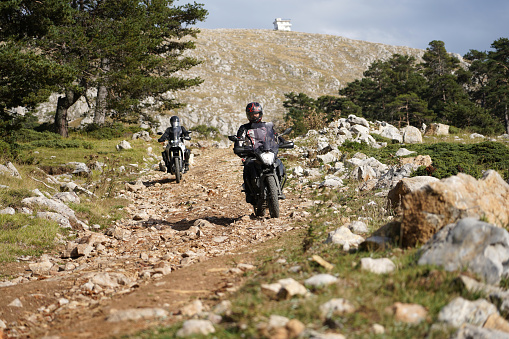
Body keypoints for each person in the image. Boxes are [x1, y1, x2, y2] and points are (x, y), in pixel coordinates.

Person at [233, 102, 286, 203]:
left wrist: (284, 142)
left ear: (260, 114)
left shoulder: (267, 126)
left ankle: (278, 189)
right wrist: (239, 148)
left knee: (279, 164)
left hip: (267, 152)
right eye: (252, 114)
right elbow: (239, 141)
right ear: (248, 115)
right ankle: (249, 193)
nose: (254, 116)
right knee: (248, 167)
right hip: (251, 155)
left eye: (256, 114)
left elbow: (276, 136)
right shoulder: (244, 128)